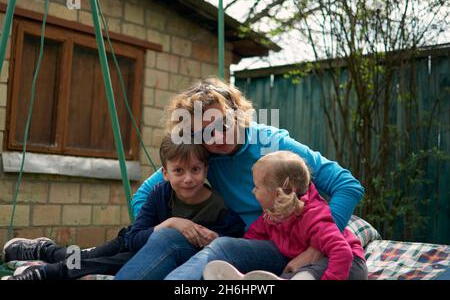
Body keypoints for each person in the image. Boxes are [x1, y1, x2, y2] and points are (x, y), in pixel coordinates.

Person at [126, 76, 365, 280]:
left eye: (222, 123)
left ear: (237, 113)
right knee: (170, 235)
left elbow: (347, 185)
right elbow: (143, 196)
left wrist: (315, 249)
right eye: (204, 133)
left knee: (222, 246)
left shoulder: (270, 144)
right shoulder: (204, 155)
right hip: (248, 242)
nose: (217, 136)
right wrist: (172, 223)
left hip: (291, 241)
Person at [1, 134, 245, 280]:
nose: (188, 179)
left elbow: (233, 237)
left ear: (206, 170)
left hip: (151, 256)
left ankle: (47, 272)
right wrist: (170, 223)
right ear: (165, 174)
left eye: (195, 170)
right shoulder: (160, 194)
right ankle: (46, 250)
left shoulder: (218, 207)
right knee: (84, 255)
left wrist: (216, 238)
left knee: (99, 263)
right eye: (179, 171)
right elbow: (135, 238)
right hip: (129, 241)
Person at [203, 151, 368, 280]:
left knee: (304, 276)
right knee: (290, 276)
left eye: (257, 187)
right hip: (309, 265)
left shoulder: (314, 217)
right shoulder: (272, 216)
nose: (253, 191)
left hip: (348, 265)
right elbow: (252, 241)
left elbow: (342, 252)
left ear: (278, 192)